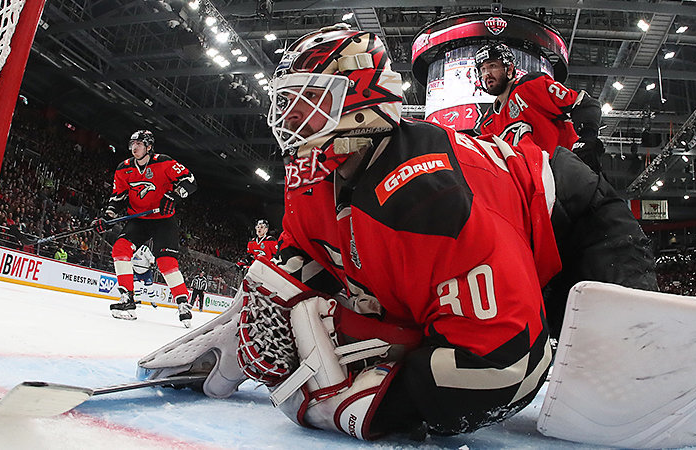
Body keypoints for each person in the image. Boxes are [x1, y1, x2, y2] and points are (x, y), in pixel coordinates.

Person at [140, 24, 556, 441]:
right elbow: (306, 261)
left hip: (563, 216)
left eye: (310, 100)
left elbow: (509, 363)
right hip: (500, 222)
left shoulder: (427, 196)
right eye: (286, 102)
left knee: (596, 397)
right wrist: (246, 323)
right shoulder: (311, 176)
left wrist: (366, 406)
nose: (292, 117)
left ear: (362, 100)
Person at [475, 42, 657, 336]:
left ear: (509, 68)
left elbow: (585, 105)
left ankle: (647, 327)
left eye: (493, 66)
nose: (488, 74)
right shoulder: (486, 124)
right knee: (558, 297)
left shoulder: (531, 85)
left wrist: (586, 143)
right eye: (483, 69)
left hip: (570, 185)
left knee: (616, 257)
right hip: (539, 216)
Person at [93, 130, 196, 325]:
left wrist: (173, 197)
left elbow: (190, 182)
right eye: (132, 144)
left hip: (163, 219)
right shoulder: (124, 168)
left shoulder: (164, 162)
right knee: (120, 248)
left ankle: (183, 302)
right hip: (138, 219)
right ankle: (127, 299)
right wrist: (106, 217)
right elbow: (117, 197)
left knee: (165, 261)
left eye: (139, 144)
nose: (134, 147)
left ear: (148, 147)